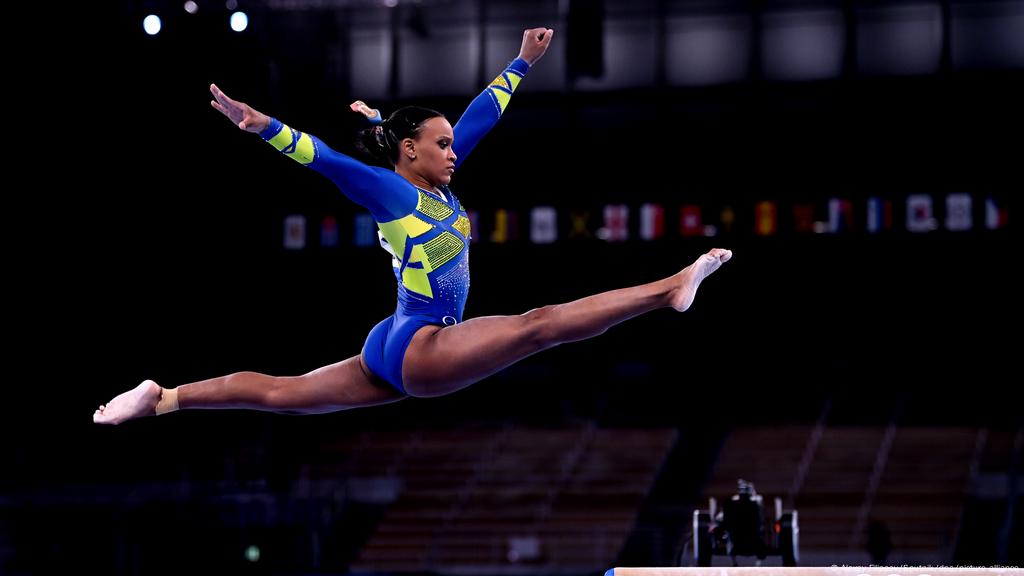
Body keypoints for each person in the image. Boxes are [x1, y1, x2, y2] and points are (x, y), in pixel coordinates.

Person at [93, 27, 732, 425]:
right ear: (409, 151)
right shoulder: (395, 195)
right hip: (421, 344)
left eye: (453, 144)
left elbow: (481, 119)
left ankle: (166, 398)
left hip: (394, 341)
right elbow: (330, 160)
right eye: (443, 143)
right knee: (537, 327)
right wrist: (262, 126)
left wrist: (521, 63)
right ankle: (670, 288)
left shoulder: (435, 188)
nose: (455, 151)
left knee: (282, 394)